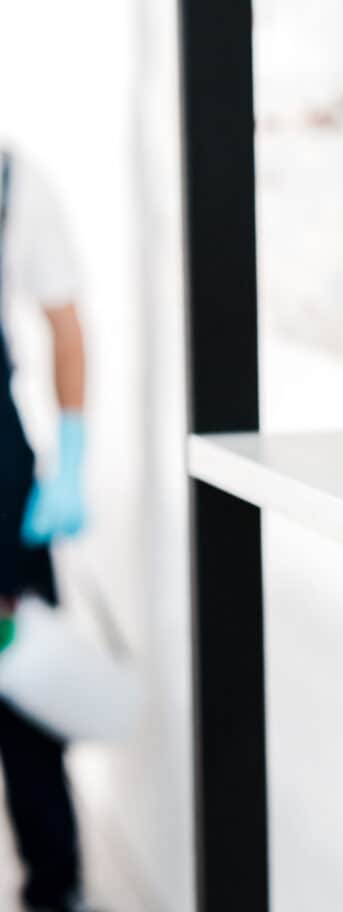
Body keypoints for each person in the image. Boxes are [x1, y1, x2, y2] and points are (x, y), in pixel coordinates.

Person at [0, 147, 92, 912]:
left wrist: (71, 459)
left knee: (23, 677)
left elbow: (64, 323)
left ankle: (54, 885)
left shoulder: (15, 179)